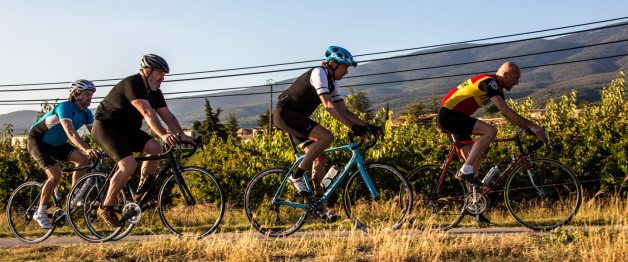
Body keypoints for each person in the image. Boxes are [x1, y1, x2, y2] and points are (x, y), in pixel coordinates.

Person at [273, 46, 381, 222]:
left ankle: (318, 207)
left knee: (320, 157)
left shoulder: (333, 82)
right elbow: (329, 106)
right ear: (333, 64)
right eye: (345, 67)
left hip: (297, 118)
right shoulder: (319, 73)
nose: (346, 71)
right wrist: (354, 128)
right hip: (285, 115)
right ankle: (296, 176)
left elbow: (344, 110)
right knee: (327, 137)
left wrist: (368, 126)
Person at [91, 54, 196, 227]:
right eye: (159, 74)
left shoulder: (155, 92)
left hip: (128, 131)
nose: (162, 78)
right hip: (106, 128)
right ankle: (105, 206)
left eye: (164, 75)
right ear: (147, 71)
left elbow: (167, 116)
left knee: (155, 148)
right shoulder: (133, 84)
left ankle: (140, 192)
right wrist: (163, 134)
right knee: (128, 164)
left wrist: (181, 135)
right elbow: (147, 112)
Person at [436, 62, 546, 222]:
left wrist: (527, 127)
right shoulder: (490, 82)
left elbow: (508, 114)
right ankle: (465, 170)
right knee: (491, 131)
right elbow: (504, 110)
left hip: (456, 117)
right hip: (450, 116)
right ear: (506, 74)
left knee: (475, 160)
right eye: (516, 78)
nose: (517, 82)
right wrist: (531, 125)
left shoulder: (496, 87)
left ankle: (474, 208)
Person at [27, 79, 100, 229]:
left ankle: (74, 194)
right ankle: (40, 212)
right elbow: (70, 132)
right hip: (38, 141)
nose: (89, 98)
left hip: (57, 145)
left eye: (91, 95)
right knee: (55, 175)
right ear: (76, 95)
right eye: (86, 94)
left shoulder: (87, 114)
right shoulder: (65, 107)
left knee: (83, 160)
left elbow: (97, 135)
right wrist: (86, 147)